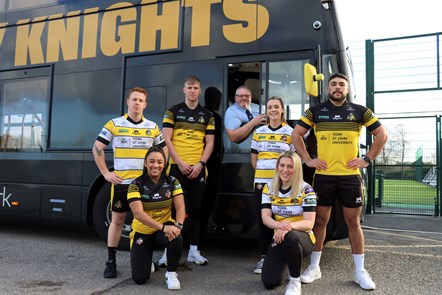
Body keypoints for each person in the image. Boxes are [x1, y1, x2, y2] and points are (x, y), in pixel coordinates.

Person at [291, 73, 388, 290]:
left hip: (350, 177)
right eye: (333, 84)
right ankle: (315, 267)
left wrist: (367, 159)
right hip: (323, 176)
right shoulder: (315, 112)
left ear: (347, 88)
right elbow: (296, 135)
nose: (337, 87)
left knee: (353, 223)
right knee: (319, 222)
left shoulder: (360, 111)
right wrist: (307, 159)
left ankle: (359, 271)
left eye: (341, 85)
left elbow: (381, 135)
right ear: (328, 88)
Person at [92, 87, 167, 278]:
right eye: (134, 99)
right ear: (128, 102)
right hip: (122, 183)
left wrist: (160, 173)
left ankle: (143, 258)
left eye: (141, 100)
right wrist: (105, 173)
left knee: (144, 223)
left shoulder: (152, 127)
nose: (137, 103)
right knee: (117, 221)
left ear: (145, 104)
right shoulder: (114, 124)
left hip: (144, 185)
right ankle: (111, 261)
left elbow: (164, 150)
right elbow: (98, 147)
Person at [160, 76, 215, 266]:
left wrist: (200, 164)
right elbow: (167, 140)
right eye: (189, 87)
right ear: (184, 90)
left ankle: (193, 251)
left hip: (197, 168)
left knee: (196, 210)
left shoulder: (207, 114)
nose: (192, 91)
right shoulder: (172, 111)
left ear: (200, 91)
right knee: (172, 209)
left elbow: (210, 143)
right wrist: (179, 162)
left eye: (196, 88)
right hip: (176, 167)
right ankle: (167, 252)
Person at [127, 146, 185, 290]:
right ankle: (148, 263)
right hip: (142, 232)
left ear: (164, 164)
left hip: (163, 229)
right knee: (140, 279)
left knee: (176, 235)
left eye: (160, 162)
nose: (156, 165)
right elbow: (138, 214)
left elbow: (180, 208)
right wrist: (163, 227)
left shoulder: (173, 182)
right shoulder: (135, 184)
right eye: (152, 161)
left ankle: (171, 273)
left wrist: (178, 226)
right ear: (145, 163)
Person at [261, 151, 317, 295]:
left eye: (290, 167)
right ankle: (288, 263)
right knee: (269, 282)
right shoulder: (269, 188)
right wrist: (279, 226)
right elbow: (265, 218)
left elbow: (309, 223)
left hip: (302, 238)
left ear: (297, 169)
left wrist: (289, 227)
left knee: (291, 237)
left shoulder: (306, 190)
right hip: (279, 236)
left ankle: (294, 281)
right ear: (277, 166)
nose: (285, 170)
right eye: (282, 165)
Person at [251, 96, 295, 274]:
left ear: (282, 110)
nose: (273, 110)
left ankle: (279, 257)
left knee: (281, 218)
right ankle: (263, 258)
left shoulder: (290, 132)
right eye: (270, 107)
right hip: (262, 184)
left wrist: (281, 180)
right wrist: (263, 179)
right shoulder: (259, 131)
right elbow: (254, 158)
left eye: (276, 107)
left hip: (281, 184)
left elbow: (292, 160)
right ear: (266, 111)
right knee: (263, 221)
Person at [201, 87, 224, 237]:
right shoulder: (215, 117)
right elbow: (217, 144)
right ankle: (202, 232)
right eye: (218, 100)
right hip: (209, 165)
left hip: (202, 163)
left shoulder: (200, 114)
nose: (219, 103)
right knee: (207, 200)